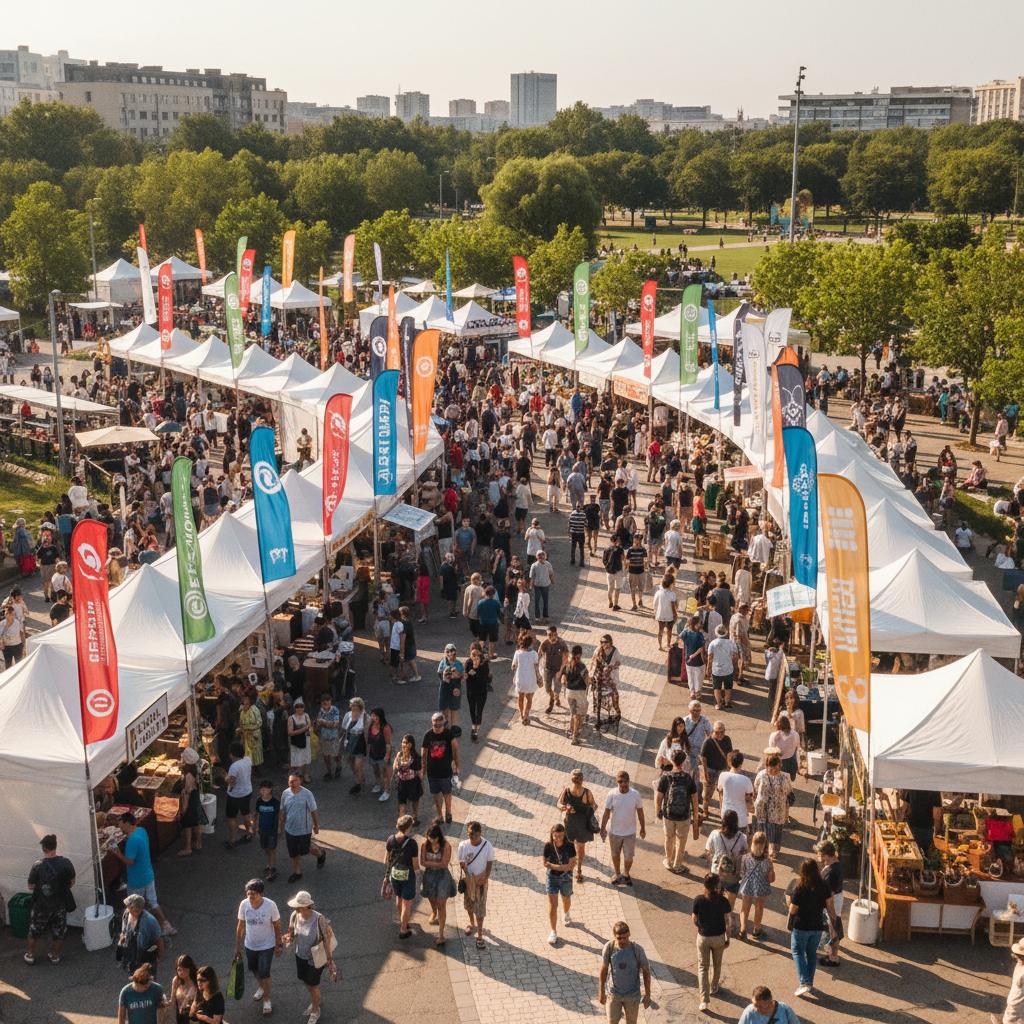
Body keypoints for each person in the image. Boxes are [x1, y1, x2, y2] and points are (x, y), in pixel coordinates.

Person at [113, 813, 176, 936]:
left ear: (127, 823)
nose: (119, 827)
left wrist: (118, 854)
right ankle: (166, 925)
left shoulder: (132, 841)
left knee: (133, 907)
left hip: (137, 880)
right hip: (148, 874)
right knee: (153, 902)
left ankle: (134, 933)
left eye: (120, 824)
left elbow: (130, 861)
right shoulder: (141, 831)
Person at [233, 878, 283, 1016]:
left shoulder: (270, 905)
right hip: (250, 945)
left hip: (267, 945)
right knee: (254, 969)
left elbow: (277, 925)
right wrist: (237, 946)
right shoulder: (244, 905)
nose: (250, 897)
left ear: (261, 893)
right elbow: (240, 926)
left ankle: (267, 999)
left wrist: (279, 945)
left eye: (253, 894)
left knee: (264, 972)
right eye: (248, 894)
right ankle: (261, 987)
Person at [24, 833, 76, 965]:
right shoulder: (66, 863)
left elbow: (30, 886)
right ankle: (54, 956)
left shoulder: (37, 865)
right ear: (55, 847)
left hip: (41, 905)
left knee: (34, 930)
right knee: (59, 932)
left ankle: (30, 955)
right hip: (60, 905)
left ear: (44, 849)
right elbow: (72, 882)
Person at [787, 858, 835, 997]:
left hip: (801, 926)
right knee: (811, 953)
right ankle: (809, 982)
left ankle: (804, 982)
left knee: (797, 952)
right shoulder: (824, 886)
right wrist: (834, 922)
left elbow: (793, 910)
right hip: (817, 926)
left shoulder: (800, 887)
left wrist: (789, 902)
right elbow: (829, 905)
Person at [655, 749, 699, 875]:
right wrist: (695, 815)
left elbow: (659, 797)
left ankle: (668, 861)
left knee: (669, 838)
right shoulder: (687, 778)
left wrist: (658, 810)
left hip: (668, 814)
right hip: (684, 815)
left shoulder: (666, 777)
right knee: (682, 840)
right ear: (683, 761)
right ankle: (678, 865)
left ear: (672, 760)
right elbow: (694, 799)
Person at [598, 921, 652, 1024]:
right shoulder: (609, 948)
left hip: (632, 995)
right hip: (613, 994)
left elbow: (646, 971)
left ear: (629, 935)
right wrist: (601, 991)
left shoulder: (637, 949)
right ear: (614, 936)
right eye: (619, 938)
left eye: (625, 937)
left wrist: (647, 995)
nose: (622, 941)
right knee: (612, 1022)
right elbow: (604, 969)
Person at [693, 873, 732, 1012]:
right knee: (717, 964)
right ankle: (714, 986)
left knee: (703, 967)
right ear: (717, 886)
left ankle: (704, 1000)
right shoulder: (723, 901)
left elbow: (694, 919)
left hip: (703, 937)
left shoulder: (699, 900)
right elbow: (728, 921)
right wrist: (728, 938)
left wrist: (700, 928)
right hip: (719, 937)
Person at [279, 772, 327, 883]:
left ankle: (320, 853)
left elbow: (313, 810)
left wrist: (316, 825)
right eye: (290, 781)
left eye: (295, 781)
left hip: (304, 830)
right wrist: (280, 823)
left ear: (300, 780)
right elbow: (282, 809)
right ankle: (297, 872)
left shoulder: (307, 794)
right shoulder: (285, 793)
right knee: (294, 852)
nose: (292, 783)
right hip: (289, 829)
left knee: (307, 850)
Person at [600, 771, 646, 887]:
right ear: (617, 782)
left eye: (625, 781)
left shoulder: (635, 795)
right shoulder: (612, 794)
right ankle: (617, 874)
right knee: (615, 855)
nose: (623, 784)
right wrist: (602, 829)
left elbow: (640, 812)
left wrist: (643, 828)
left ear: (629, 781)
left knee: (629, 857)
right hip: (614, 832)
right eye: (620, 782)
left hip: (630, 832)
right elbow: (606, 813)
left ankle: (626, 874)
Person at [705, 810, 747, 934]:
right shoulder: (742, 837)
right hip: (733, 875)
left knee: (714, 896)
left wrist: (713, 864)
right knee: (731, 900)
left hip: (717, 872)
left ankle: (714, 919)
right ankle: (728, 921)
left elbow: (708, 851)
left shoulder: (715, 834)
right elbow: (744, 854)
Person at [458, 821, 495, 949]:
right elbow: (461, 861)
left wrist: (485, 877)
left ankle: (479, 935)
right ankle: (471, 923)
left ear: (480, 833)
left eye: (474, 834)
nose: (471, 836)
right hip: (469, 880)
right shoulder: (463, 845)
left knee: (480, 907)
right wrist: (465, 871)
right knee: (469, 904)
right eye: (469, 833)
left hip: (481, 880)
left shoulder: (487, 846)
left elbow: (490, 863)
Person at [420, 820, 458, 945]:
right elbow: (422, 862)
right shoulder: (424, 845)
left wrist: (431, 864)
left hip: (442, 877)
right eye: (430, 838)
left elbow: (444, 864)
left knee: (441, 904)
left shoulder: (446, 846)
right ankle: (434, 912)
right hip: (429, 875)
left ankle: (441, 934)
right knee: (431, 898)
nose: (432, 841)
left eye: (434, 839)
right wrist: (436, 864)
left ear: (439, 837)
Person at [557, 768, 598, 881]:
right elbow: (594, 805)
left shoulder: (567, 791)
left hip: (571, 823)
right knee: (580, 849)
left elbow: (559, 804)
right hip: (582, 825)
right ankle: (579, 871)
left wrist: (565, 808)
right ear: (582, 779)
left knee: (569, 847)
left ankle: (569, 869)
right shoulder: (586, 792)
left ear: (572, 780)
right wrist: (587, 810)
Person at [385, 815, 420, 940]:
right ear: (409, 827)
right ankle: (403, 929)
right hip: (408, 876)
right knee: (407, 903)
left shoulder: (390, 840)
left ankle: (402, 921)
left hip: (395, 875)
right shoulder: (412, 844)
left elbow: (386, 860)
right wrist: (420, 879)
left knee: (399, 899)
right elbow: (416, 865)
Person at [421, 712, 459, 824]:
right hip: (432, 772)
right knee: (436, 795)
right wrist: (423, 770)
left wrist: (456, 766)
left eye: (439, 725)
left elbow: (455, 750)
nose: (437, 727)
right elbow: (424, 754)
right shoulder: (428, 735)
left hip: (446, 771)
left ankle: (448, 813)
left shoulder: (448, 734)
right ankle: (440, 816)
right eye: (434, 724)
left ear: (444, 723)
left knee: (447, 793)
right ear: (432, 723)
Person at [543, 823, 577, 946]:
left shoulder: (569, 845)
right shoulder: (548, 846)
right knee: (553, 905)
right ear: (552, 835)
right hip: (551, 877)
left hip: (566, 877)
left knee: (566, 899)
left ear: (564, 835)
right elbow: (545, 863)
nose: (558, 839)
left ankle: (567, 912)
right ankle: (553, 931)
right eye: (556, 836)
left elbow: (573, 861)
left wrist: (568, 867)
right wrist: (561, 867)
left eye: (560, 836)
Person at [753, 754, 792, 858]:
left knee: (775, 829)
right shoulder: (762, 775)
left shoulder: (784, 776)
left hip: (775, 808)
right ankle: (764, 850)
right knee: (764, 829)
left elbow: (788, 790)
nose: (775, 769)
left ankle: (772, 850)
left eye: (777, 766)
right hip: (765, 808)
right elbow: (756, 787)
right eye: (773, 767)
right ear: (767, 766)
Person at [738, 831, 775, 940]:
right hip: (761, 886)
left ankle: (743, 930)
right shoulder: (768, 861)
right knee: (759, 907)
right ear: (765, 845)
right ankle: (756, 930)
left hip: (748, 885)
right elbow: (770, 878)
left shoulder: (745, 857)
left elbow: (742, 873)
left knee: (744, 908)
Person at [118, 894, 164, 973]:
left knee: (146, 981)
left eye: (128, 905)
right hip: (132, 957)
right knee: (134, 978)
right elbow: (124, 931)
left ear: (135, 908)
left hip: (146, 958)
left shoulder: (150, 921)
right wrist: (121, 942)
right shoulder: (126, 913)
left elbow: (159, 940)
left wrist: (158, 957)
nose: (126, 907)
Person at [816, 840, 844, 967]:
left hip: (832, 903)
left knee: (833, 929)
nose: (820, 858)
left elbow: (830, 897)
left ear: (829, 854)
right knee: (833, 928)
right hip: (834, 901)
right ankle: (832, 953)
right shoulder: (834, 864)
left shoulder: (833, 872)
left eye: (822, 855)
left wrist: (831, 913)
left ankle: (833, 958)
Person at [700, 721, 733, 819]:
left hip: (722, 770)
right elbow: (703, 758)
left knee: (722, 793)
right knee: (707, 794)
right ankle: (705, 811)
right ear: (713, 731)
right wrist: (705, 773)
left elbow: (729, 754)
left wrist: (728, 767)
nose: (720, 734)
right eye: (717, 732)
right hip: (710, 770)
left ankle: (723, 814)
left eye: (722, 732)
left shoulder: (727, 739)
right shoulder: (708, 741)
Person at [718, 751, 755, 832]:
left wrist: (722, 810)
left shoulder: (722, 776)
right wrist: (752, 812)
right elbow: (749, 801)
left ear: (730, 762)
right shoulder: (746, 780)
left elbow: (720, 795)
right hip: (741, 818)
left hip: (725, 814)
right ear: (741, 764)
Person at [561, 645, 590, 745]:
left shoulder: (567, 665)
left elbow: (563, 680)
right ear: (580, 654)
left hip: (569, 693)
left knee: (572, 713)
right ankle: (574, 737)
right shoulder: (582, 667)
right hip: (579, 693)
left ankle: (570, 729)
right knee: (578, 715)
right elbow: (587, 681)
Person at [511, 631, 541, 725]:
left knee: (520, 698)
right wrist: (539, 678)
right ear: (531, 643)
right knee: (529, 699)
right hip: (530, 679)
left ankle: (521, 715)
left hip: (520, 679)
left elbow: (513, 667)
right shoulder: (534, 654)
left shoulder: (517, 653)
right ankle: (526, 715)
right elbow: (536, 669)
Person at [538, 624, 569, 715]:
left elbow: (566, 657)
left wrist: (560, 670)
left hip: (558, 669)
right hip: (547, 669)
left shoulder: (562, 642)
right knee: (547, 689)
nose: (552, 637)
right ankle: (552, 697)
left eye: (554, 634)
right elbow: (539, 654)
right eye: (549, 635)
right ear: (547, 635)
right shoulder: (545, 643)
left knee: (557, 687)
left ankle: (554, 700)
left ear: (556, 634)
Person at [707, 624, 739, 710]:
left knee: (717, 687)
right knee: (728, 687)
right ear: (726, 633)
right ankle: (727, 702)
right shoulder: (731, 643)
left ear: (716, 633)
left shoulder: (712, 643)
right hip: (728, 669)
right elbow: (735, 656)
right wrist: (735, 666)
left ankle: (719, 704)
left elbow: (710, 658)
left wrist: (708, 670)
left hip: (716, 670)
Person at [393, 733, 423, 824]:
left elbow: (420, 772)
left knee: (414, 801)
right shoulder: (399, 754)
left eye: (405, 742)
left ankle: (415, 817)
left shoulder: (415, 757)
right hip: (402, 782)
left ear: (411, 744)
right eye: (403, 742)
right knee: (402, 802)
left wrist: (419, 781)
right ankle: (402, 822)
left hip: (413, 782)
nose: (403, 744)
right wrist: (397, 766)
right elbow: (394, 767)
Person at [365, 707, 393, 801]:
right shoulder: (370, 725)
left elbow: (388, 744)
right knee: (376, 770)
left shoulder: (385, 727)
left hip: (383, 754)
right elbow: (368, 740)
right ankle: (377, 784)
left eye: (375, 716)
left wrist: (387, 756)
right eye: (372, 715)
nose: (373, 717)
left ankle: (387, 791)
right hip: (373, 753)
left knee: (385, 774)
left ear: (380, 717)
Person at [255, 780, 280, 882]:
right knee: (266, 848)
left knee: (272, 849)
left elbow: (279, 816)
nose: (263, 790)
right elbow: (257, 814)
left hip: (272, 830)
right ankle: (269, 864)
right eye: (261, 788)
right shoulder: (259, 800)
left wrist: (279, 828)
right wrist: (255, 827)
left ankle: (272, 869)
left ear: (270, 789)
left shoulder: (275, 802)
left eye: (265, 788)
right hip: (262, 829)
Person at [464, 644, 491, 743]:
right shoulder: (468, 662)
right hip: (471, 691)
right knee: (472, 710)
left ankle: (475, 731)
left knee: (478, 712)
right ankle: (473, 727)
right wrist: (473, 668)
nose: (475, 656)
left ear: (480, 653)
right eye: (473, 654)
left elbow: (484, 678)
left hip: (482, 691)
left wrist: (476, 668)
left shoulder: (484, 663)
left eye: (477, 653)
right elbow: (467, 676)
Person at [738, 986, 802, 1024]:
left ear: (770, 1002)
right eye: (754, 1005)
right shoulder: (749, 1011)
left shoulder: (784, 1009)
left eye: (760, 1006)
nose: (755, 1009)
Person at [995, 938, 1024, 1024]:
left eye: (1018, 955)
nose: (1014, 956)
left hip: (1017, 1005)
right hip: (1015, 1002)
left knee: (1011, 1020)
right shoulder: (1019, 965)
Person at [315, 693, 342, 782]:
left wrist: (323, 722)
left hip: (333, 736)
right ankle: (329, 771)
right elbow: (318, 724)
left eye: (328, 702)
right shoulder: (321, 711)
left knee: (335, 755)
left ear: (330, 701)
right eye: (324, 702)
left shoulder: (335, 710)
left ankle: (338, 766)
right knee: (326, 756)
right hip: (324, 736)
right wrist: (327, 724)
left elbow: (335, 724)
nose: (326, 704)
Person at [287, 698, 313, 783]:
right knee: (298, 760)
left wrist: (310, 731)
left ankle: (305, 774)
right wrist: (304, 729)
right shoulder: (291, 718)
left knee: (306, 759)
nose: (299, 708)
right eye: (297, 707)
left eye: (301, 706)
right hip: (296, 743)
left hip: (306, 741)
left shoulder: (306, 716)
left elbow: (310, 727)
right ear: (294, 708)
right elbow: (290, 733)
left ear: (304, 707)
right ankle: (299, 776)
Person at [168, 954, 197, 1024]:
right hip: (180, 1017)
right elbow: (173, 1001)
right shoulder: (176, 980)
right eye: (179, 970)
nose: (181, 972)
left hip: (195, 1017)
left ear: (190, 968)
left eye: (184, 969)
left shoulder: (196, 980)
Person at [769, 716, 801, 781]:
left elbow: (771, 748)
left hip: (779, 761)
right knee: (791, 778)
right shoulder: (795, 734)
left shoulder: (774, 735)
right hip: (791, 759)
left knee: (781, 779)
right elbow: (798, 745)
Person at [652, 576, 678, 651]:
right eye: (673, 583)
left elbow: (655, 604)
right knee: (669, 631)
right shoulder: (672, 594)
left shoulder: (658, 592)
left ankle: (660, 646)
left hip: (660, 615)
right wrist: (675, 615)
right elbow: (674, 606)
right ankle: (668, 644)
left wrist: (655, 613)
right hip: (670, 616)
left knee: (660, 630)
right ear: (670, 584)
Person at [529, 549, 555, 622]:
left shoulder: (548, 564)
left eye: (543, 557)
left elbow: (551, 574)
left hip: (545, 585)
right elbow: (532, 576)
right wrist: (531, 585)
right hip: (537, 586)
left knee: (545, 601)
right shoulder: (534, 566)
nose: (541, 558)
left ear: (545, 557)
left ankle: (545, 616)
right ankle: (537, 617)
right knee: (537, 601)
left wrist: (553, 581)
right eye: (539, 557)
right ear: (537, 557)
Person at [603, 536, 626, 610]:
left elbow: (604, 560)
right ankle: (615, 605)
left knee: (610, 588)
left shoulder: (606, 549)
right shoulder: (620, 549)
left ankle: (610, 602)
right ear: (617, 540)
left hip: (609, 572)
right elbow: (623, 559)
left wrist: (607, 567)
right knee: (617, 589)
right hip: (618, 571)